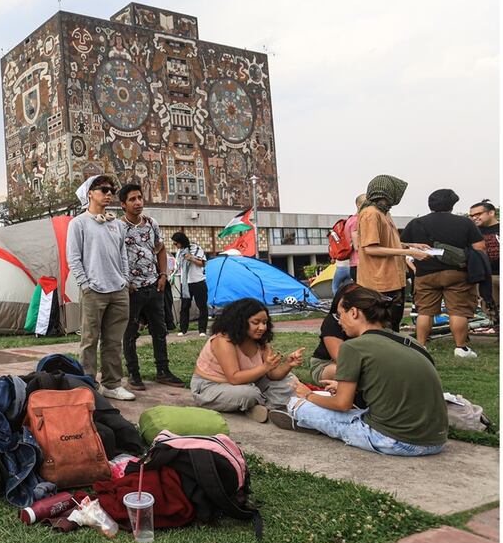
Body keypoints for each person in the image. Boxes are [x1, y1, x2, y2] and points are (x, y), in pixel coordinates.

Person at [276, 286, 449, 456]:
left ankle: (305, 420)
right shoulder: (410, 342)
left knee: (298, 405)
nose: (339, 321)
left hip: (396, 441)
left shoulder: (353, 347)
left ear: (354, 312)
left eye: (340, 314)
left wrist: (308, 395)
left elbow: (342, 404)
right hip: (437, 440)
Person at [66, 175, 134, 401]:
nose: (108, 194)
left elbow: (122, 254)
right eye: (103, 189)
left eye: (111, 190)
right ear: (90, 193)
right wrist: (85, 284)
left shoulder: (117, 224)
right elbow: (73, 257)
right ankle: (87, 384)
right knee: (89, 340)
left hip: (118, 289)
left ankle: (112, 384)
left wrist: (124, 279)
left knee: (114, 341)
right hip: (93, 290)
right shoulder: (79, 223)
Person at [189, 298, 302, 425]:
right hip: (211, 386)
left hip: (250, 381)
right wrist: (265, 367)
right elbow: (234, 378)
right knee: (249, 394)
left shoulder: (260, 341)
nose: (262, 327)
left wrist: (288, 365)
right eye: (256, 322)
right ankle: (263, 404)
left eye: (265, 322)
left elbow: (273, 375)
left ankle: (255, 407)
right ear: (240, 322)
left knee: (290, 381)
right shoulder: (223, 340)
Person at [401, 189, 485, 356]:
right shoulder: (465, 223)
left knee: (424, 310)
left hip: (424, 273)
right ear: (453, 204)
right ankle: (461, 348)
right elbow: (479, 248)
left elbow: (402, 244)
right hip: (457, 273)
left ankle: (421, 346)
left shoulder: (416, 223)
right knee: (458, 310)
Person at [117, 184, 184, 390]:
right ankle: (134, 374)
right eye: (132, 199)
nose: (138, 203)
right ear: (123, 204)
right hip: (132, 289)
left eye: (139, 198)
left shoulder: (151, 223)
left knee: (159, 330)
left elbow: (160, 249)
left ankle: (163, 371)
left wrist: (163, 275)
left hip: (154, 285)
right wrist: (124, 282)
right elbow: (113, 255)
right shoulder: (118, 227)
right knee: (130, 333)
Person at [355, 175, 431, 331]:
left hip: (392, 278)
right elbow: (370, 248)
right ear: (386, 193)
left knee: (393, 323)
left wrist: (411, 246)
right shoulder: (371, 214)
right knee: (384, 325)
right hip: (379, 281)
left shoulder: (382, 213)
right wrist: (410, 253)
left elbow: (386, 242)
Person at [470, 200, 500, 330]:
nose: (474, 217)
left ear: (491, 213)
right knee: (491, 307)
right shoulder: (472, 232)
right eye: (471, 215)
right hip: (486, 277)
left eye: (478, 214)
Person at [172, 232, 208, 336]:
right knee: (184, 307)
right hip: (185, 283)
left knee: (201, 306)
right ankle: (183, 329)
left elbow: (202, 263)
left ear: (181, 242)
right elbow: (178, 266)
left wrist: (191, 258)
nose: (175, 246)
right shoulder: (179, 252)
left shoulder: (196, 248)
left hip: (198, 281)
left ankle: (202, 330)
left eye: (176, 244)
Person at [333, 194, 366, 294]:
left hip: (353, 264)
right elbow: (357, 246)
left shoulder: (350, 220)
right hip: (359, 264)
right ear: (358, 205)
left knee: (351, 292)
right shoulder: (356, 220)